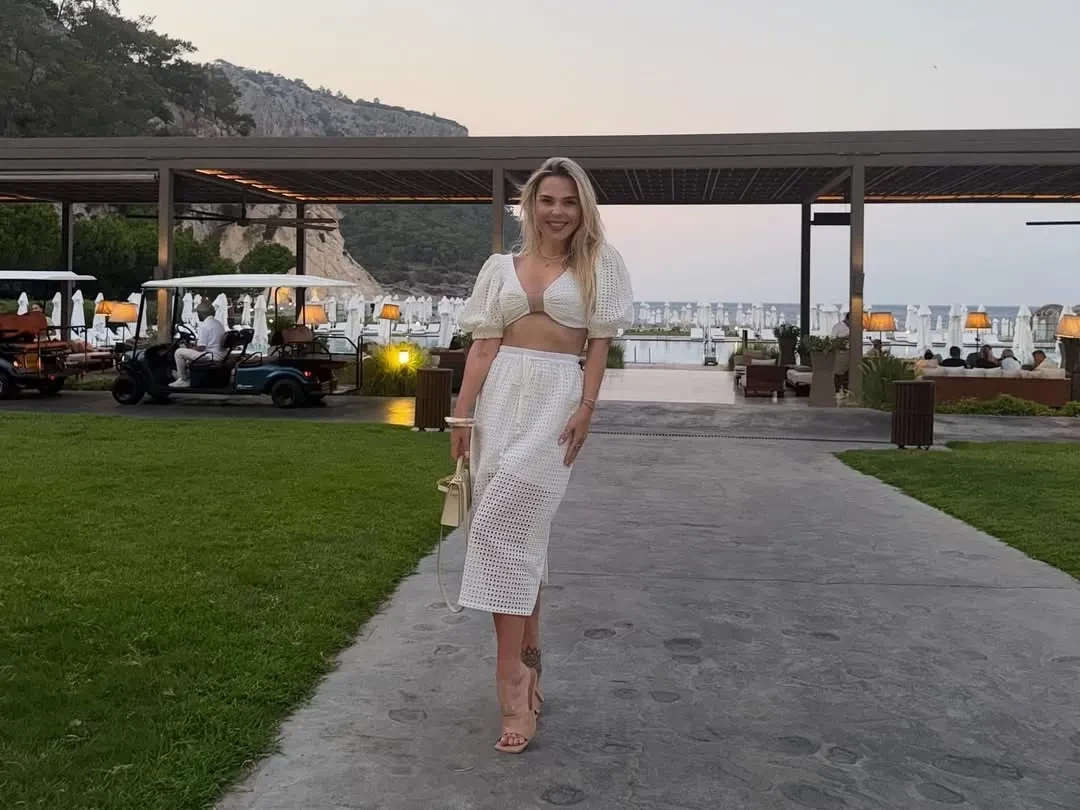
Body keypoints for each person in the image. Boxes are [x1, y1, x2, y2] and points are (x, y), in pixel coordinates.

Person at [450, 157, 633, 754]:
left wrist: (587, 407)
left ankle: (510, 681)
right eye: (547, 200)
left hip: (556, 404)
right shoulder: (498, 268)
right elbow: (482, 349)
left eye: (569, 201)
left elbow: (598, 346)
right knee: (515, 540)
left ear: (584, 208)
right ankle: (530, 664)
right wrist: (461, 416)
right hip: (499, 403)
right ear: (529, 205)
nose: (557, 211)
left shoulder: (601, 265)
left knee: (498, 529)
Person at [170, 301, 225, 388]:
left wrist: (190, 348)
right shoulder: (218, 323)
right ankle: (184, 375)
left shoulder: (204, 326)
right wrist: (192, 348)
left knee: (179, 352)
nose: (198, 315)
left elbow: (201, 347)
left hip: (211, 356)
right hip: (220, 354)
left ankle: (183, 380)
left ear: (202, 314)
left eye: (198, 313)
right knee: (187, 352)